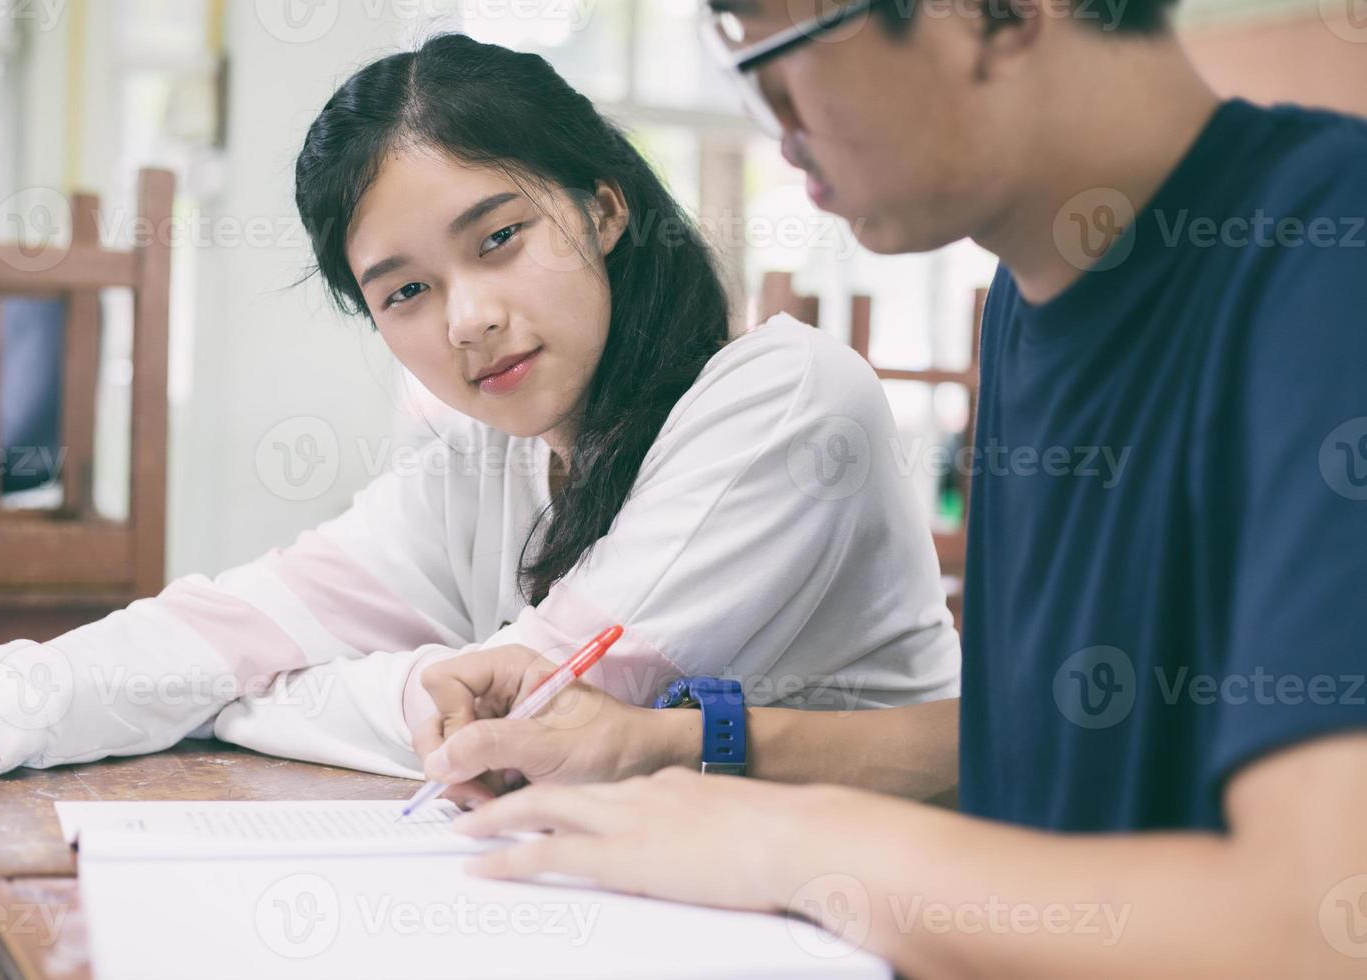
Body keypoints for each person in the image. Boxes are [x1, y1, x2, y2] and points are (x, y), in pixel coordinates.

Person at [407, 2, 1367, 976]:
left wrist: (795, 841)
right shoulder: (1033, 309)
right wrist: (670, 747)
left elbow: (1311, 925)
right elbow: (1029, 743)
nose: (778, 130)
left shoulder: (1331, 253)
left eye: (778, 57)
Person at [0, 35, 961, 882]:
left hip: (901, 925)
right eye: (406, 290)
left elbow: (517, 731)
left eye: (498, 237)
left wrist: (238, 692)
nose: (470, 319)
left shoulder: (786, 400)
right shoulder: (476, 456)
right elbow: (222, 626)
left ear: (604, 205)